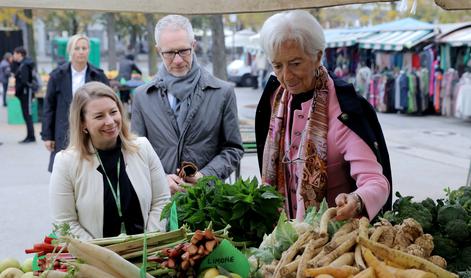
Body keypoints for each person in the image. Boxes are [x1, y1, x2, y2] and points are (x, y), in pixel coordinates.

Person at [255, 10, 392, 222]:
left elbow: (376, 182)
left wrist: (357, 199)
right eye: (277, 65)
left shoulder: (344, 110)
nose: (286, 76)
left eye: (295, 63)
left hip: (331, 240)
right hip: (283, 236)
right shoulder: (274, 100)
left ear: (317, 56)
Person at [132, 15, 244, 193]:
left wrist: (205, 176)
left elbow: (233, 148)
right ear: (158, 51)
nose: (177, 60)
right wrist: (160, 178)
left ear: (193, 45)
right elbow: (136, 153)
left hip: (206, 203)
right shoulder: (142, 96)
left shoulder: (223, 92)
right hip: (160, 203)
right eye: (169, 53)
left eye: (183, 51)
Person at [49, 82, 171, 240]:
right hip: (96, 260)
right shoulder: (65, 162)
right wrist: (103, 254)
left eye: (113, 112)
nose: (110, 121)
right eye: (99, 116)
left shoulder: (143, 148)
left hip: (147, 256)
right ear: (82, 123)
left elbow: (161, 201)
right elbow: (64, 223)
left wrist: (148, 243)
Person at [41, 34, 109, 172]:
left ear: (89, 51)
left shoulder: (98, 75)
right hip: (63, 129)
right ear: (70, 51)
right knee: (65, 170)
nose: (81, 51)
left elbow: (108, 104)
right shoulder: (57, 76)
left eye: (84, 48)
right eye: (77, 48)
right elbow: (49, 106)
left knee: (91, 169)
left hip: (91, 129)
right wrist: (47, 136)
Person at [13, 46, 36, 143]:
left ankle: (31, 137)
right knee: (26, 115)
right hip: (24, 93)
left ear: (19, 54)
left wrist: (18, 90)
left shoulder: (25, 65)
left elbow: (24, 81)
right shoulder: (23, 64)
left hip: (26, 93)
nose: (14, 55)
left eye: (15, 53)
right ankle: (29, 136)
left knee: (28, 115)